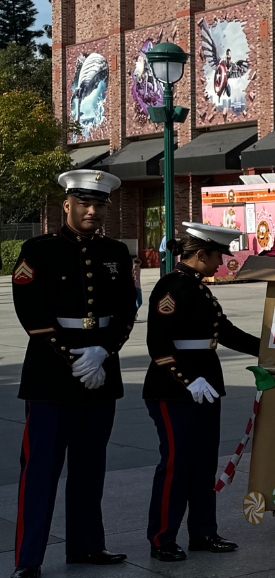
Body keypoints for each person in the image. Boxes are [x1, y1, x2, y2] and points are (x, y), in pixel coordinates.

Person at [11, 170, 138, 578]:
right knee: (41, 471)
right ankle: (28, 559)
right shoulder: (38, 250)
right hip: (50, 376)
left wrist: (103, 352)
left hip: (101, 371)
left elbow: (125, 311)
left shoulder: (117, 253)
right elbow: (32, 314)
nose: (92, 210)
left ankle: (86, 546)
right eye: (84, 203)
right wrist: (74, 360)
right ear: (66, 204)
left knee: (89, 468)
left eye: (99, 204)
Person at [143, 223, 257, 561]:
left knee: (204, 463)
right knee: (177, 463)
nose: (222, 262)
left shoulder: (200, 289)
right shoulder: (171, 287)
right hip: (173, 389)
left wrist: (271, 349)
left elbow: (226, 332)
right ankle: (162, 538)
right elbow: (158, 344)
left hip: (205, 386)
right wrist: (188, 379)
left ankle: (203, 532)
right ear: (201, 254)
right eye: (219, 255)